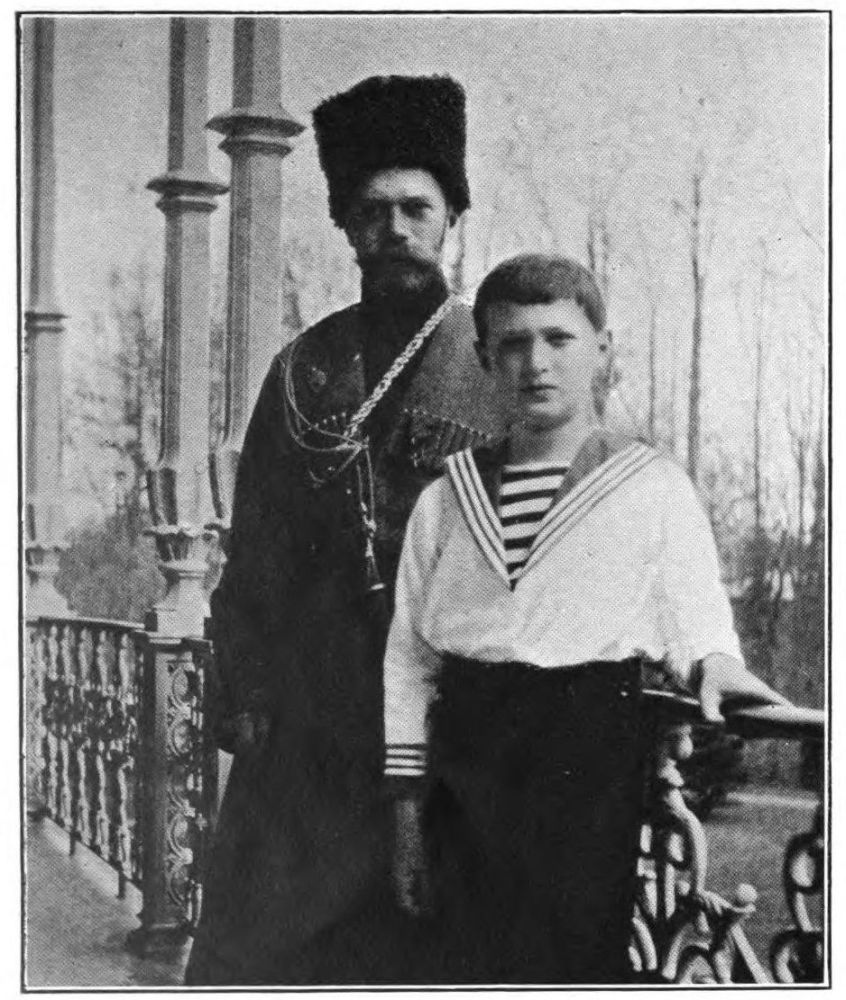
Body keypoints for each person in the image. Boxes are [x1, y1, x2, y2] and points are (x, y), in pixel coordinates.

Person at [383, 253, 787, 984]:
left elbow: (697, 617)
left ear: (602, 349)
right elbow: (410, 661)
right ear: (484, 358)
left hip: (586, 754)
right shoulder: (447, 497)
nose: (536, 363)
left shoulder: (650, 486)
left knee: (569, 965)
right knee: (458, 964)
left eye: (558, 339)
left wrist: (719, 664)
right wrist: (406, 816)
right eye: (512, 343)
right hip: (465, 757)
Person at [184, 75, 502, 986]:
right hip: (308, 748)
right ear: (345, 226)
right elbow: (254, 554)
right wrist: (246, 686)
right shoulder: (304, 369)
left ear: (452, 218)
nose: (395, 228)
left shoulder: (494, 364)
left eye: (416, 208)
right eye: (371, 211)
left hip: (444, 737)